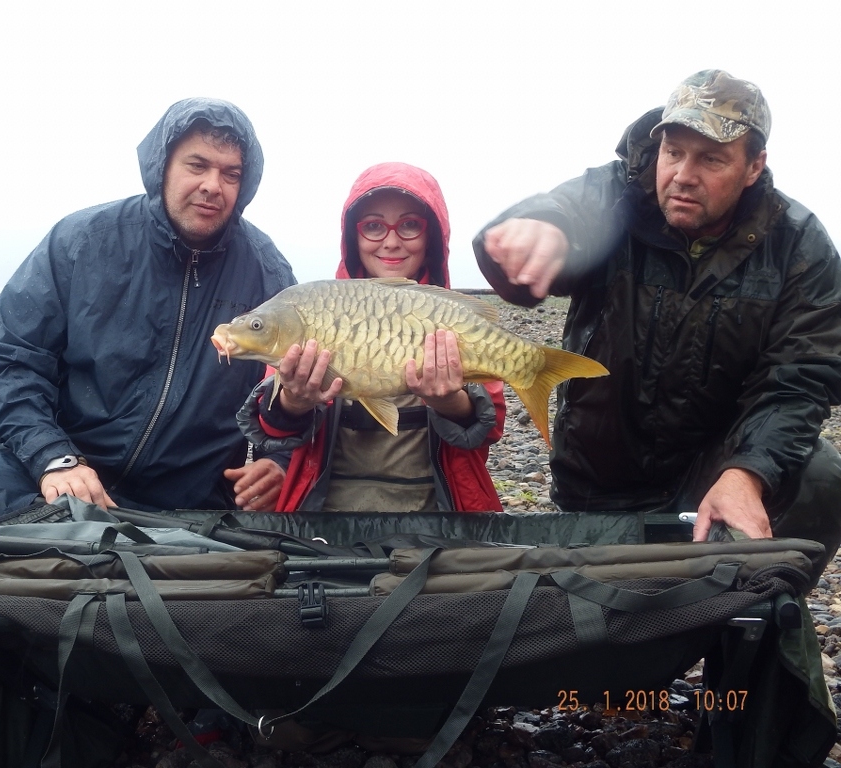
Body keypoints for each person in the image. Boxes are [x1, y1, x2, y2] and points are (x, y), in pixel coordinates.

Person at [474, 69, 841, 572]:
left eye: (711, 158)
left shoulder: (799, 245)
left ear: (754, 166)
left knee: (820, 473)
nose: (683, 174)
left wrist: (747, 473)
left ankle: (756, 622)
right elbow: (568, 207)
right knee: (598, 632)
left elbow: (801, 376)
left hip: (709, 474)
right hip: (597, 481)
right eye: (674, 152)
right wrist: (542, 227)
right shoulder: (616, 192)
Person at [0, 98, 296, 522]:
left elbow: (296, 391)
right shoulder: (81, 241)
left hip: (192, 495)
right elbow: (2, 358)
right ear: (162, 165)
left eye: (231, 173)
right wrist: (51, 455)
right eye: (197, 165)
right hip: (66, 465)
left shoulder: (267, 272)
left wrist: (279, 462)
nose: (213, 185)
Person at [239, 162, 506, 512]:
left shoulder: (448, 315)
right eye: (374, 227)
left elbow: (490, 427)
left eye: (410, 225)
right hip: (326, 523)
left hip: (439, 520)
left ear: (432, 238)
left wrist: (451, 403)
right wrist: (294, 403)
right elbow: (271, 429)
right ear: (354, 236)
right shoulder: (314, 309)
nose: (391, 242)